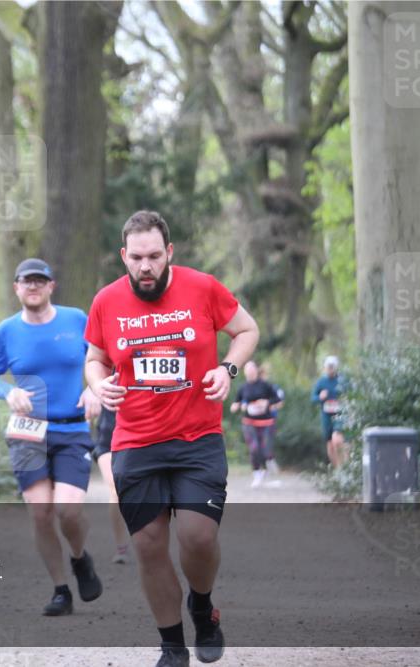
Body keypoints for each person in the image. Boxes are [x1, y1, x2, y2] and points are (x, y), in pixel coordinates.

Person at [84, 211, 259, 667]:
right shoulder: (106, 300)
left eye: (154, 256)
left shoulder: (202, 287)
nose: (146, 266)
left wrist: (228, 369)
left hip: (197, 438)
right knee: (148, 544)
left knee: (198, 538)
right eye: (137, 257)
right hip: (135, 442)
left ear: (169, 254)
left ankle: (203, 607)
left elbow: (246, 329)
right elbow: (95, 358)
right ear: (124, 256)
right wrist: (97, 383)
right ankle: (172, 646)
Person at [0, 258, 104, 616]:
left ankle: (81, 558)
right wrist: (6, 392)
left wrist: (96, 391)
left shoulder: (76, 320)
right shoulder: (6, 332)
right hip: (27, 431)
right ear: (16, 288)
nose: (33, 286)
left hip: (71, 428)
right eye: (26, 281)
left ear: (52, 286)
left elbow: (104, 360)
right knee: (41, 512)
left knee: (68, 511)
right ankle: (60, 590)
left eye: (40, 280)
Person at [229, 361, 283, 488]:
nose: (250, 372)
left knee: (265, 448)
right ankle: (257, 475)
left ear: (256, 371)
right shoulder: (243, 388)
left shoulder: (265, 385)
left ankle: (269, 462)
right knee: (254, 449)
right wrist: (238, 406)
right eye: (248, 370)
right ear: (245, 372)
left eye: (252, 369)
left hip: (266, 422)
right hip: (249, 422)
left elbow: (277, 400)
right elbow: (235, 405)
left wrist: (266, 403)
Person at [92, 408, 132, 563]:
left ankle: (151, 539)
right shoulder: (101, 382)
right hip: (109, 435)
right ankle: (121, 546)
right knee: (116, 489)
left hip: (144, 435)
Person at [311, 355, 347, 468]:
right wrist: (320, 398)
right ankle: (337, 470)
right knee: (330, 444)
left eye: (332, 366)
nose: (330, 369)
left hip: (340, 414)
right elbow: (313, 398)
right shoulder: (321, 382)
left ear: (336, 367)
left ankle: (344, 467)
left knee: (337, 439)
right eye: (328, 366)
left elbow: (352, 395)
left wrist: (344, 400)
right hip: (326, 416)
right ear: (325, 367)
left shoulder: (342, 380)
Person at [258, 362, 284, 476]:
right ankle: (263, 466)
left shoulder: (274, 388)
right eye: (263, 374)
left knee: (267, 442)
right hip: (258, 420)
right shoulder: (256, 388)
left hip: (271, 420)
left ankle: (270, 462)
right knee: (259, 443)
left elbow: (280, 403)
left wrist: (268, 406)